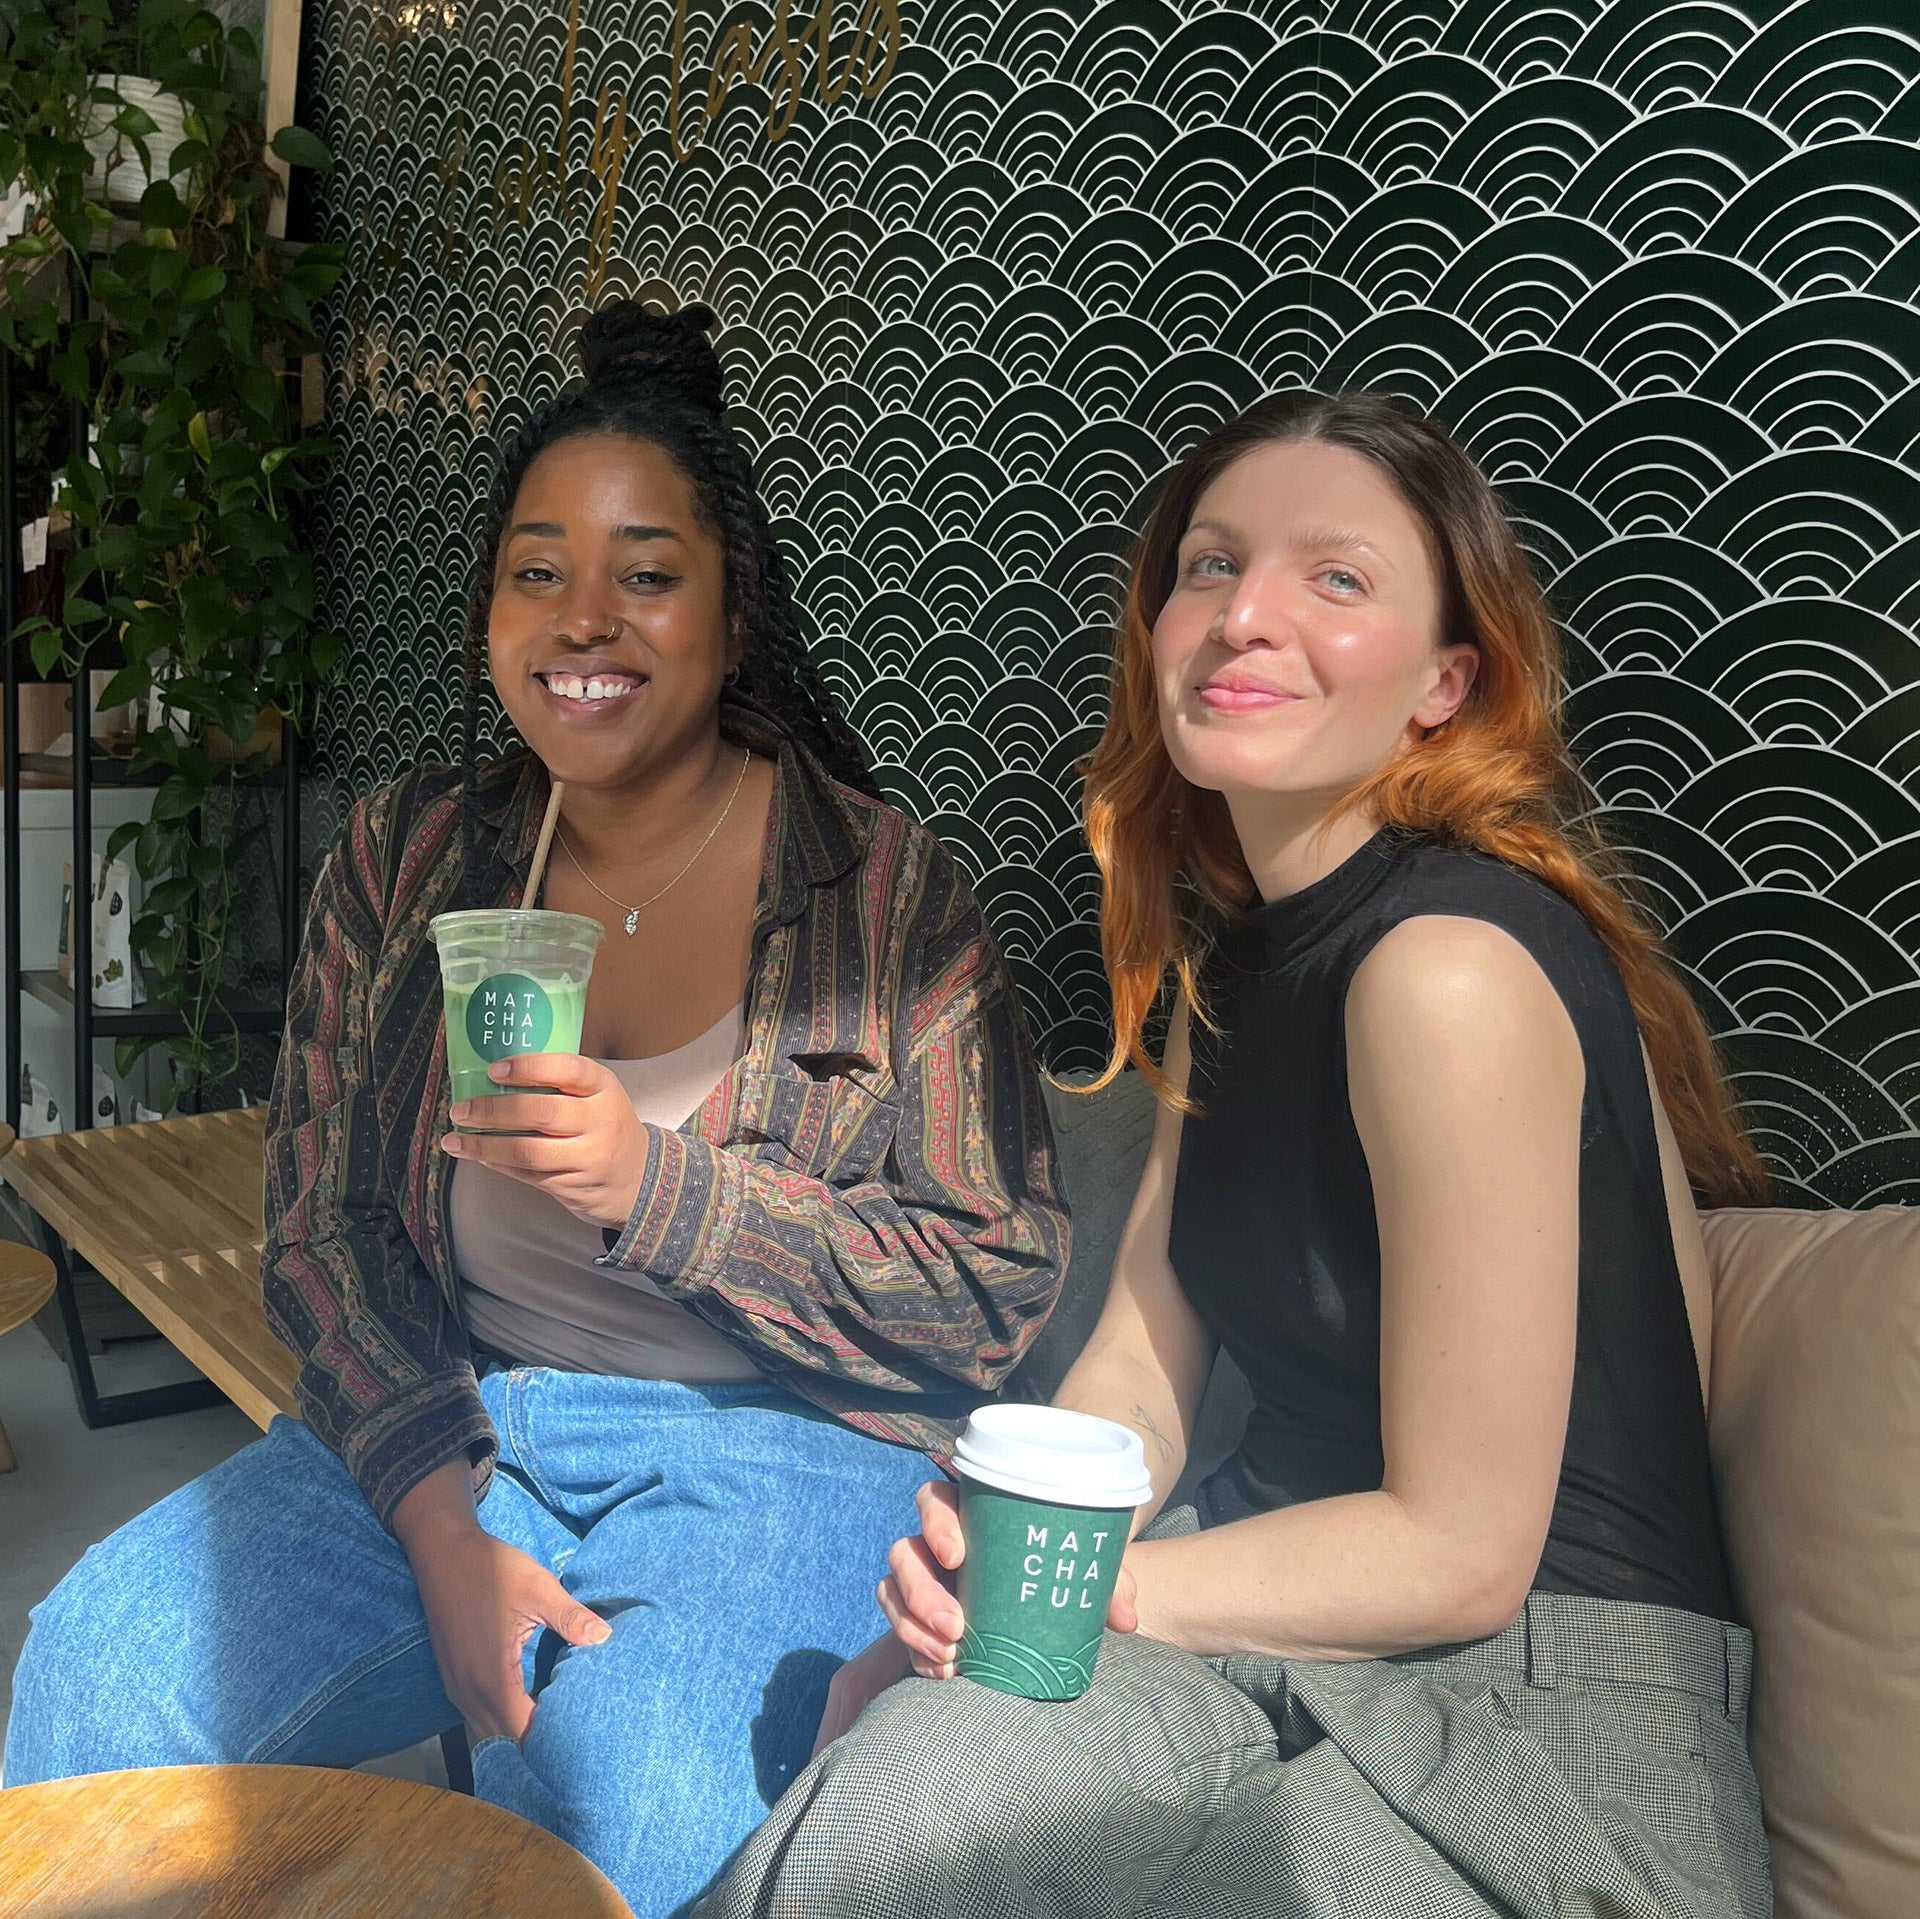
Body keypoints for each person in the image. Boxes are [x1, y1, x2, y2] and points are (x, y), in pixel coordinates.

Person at [4, 302, 1068, 1918]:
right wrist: (438, 1521)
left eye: (648, 573)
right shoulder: (409, 852)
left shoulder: (884, 889)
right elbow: (322, 1223)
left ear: (731, 611)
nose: (587, 619)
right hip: (459, 1405)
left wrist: (661, 1185)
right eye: (536, 569)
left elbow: (990, 1290)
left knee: (605, 1799)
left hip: (776, 1449)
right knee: (99, 1663)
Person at [701, 390, 1775, 1919]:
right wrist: (990, 1579)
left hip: (1544, 1717)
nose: (1242, 615)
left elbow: (1467, 1553)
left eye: (1334, 579)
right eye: (1208, 566)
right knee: (880, 1822)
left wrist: (1090, 1598)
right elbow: (1140, 1374)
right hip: (1267, 1605)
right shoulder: (1234, 975)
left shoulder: (1450, 966)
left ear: (1443, 683)